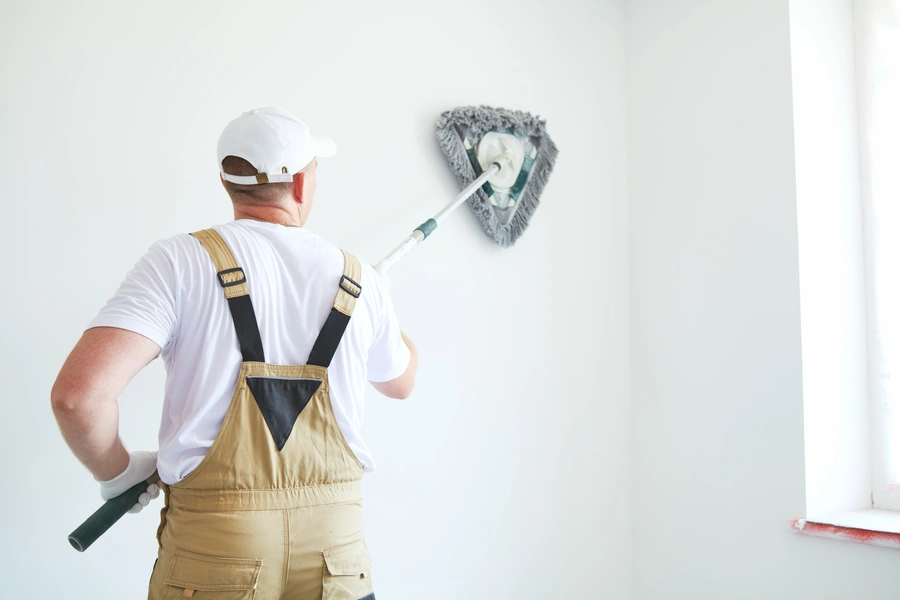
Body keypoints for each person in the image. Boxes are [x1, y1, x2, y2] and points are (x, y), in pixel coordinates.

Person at [51, 106, 417, 600]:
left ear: (227, 182)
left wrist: (118, 474)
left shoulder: (177, 263)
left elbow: (79, 398)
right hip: (337, 557)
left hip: (216, 553)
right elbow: (401, 381)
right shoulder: (362, 281)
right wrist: (383, 301)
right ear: (303, 186)